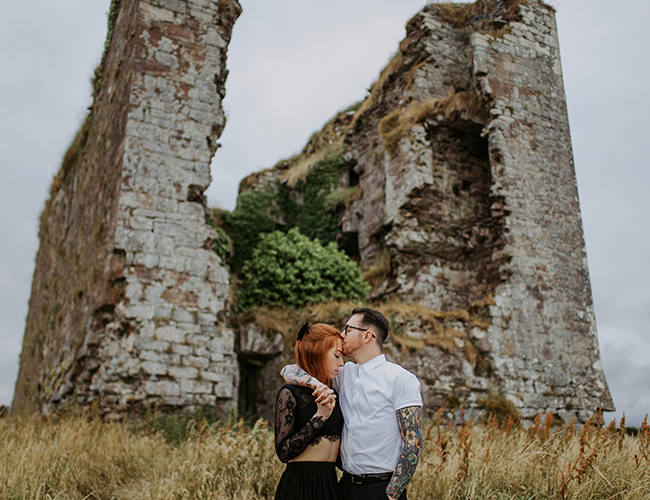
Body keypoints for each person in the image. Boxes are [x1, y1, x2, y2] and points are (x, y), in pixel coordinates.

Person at [282, 307, 423, 500]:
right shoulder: (343, 373)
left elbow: (413, 441)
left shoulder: (399, 378)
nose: (342, 334)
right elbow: (289, 370)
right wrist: (315, 383)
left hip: (381, 489)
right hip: (344, 487)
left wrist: (392, 494)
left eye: (348, 329)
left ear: (367, 336)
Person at [274, 322, 345, 500]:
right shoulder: (290, 393)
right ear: (318, 354)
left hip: (330, 484)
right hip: (299, 486)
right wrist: (319, 417)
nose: (341, 363)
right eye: (336, 356)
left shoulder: (334, 392)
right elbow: (283, 452)